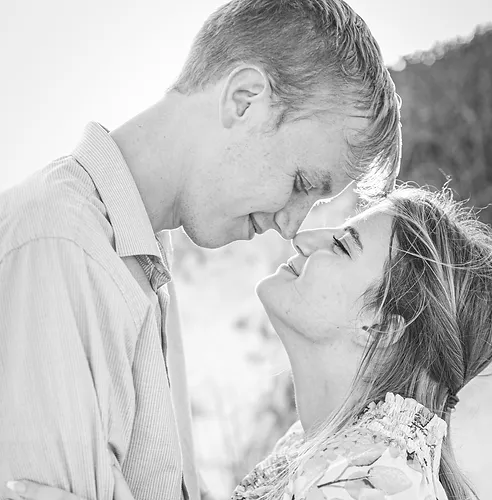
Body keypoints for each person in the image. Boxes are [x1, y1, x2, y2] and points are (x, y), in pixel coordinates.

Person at [0, 1, 401, 500]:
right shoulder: (65, 248)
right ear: (244, 99)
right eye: (301, 183)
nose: (291, 226)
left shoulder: (138, 252)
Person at [8, 185, 492, 500]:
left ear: (380, 328)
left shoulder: (375, 486)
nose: (305, 238)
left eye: (342, 245)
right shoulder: (326, 450)